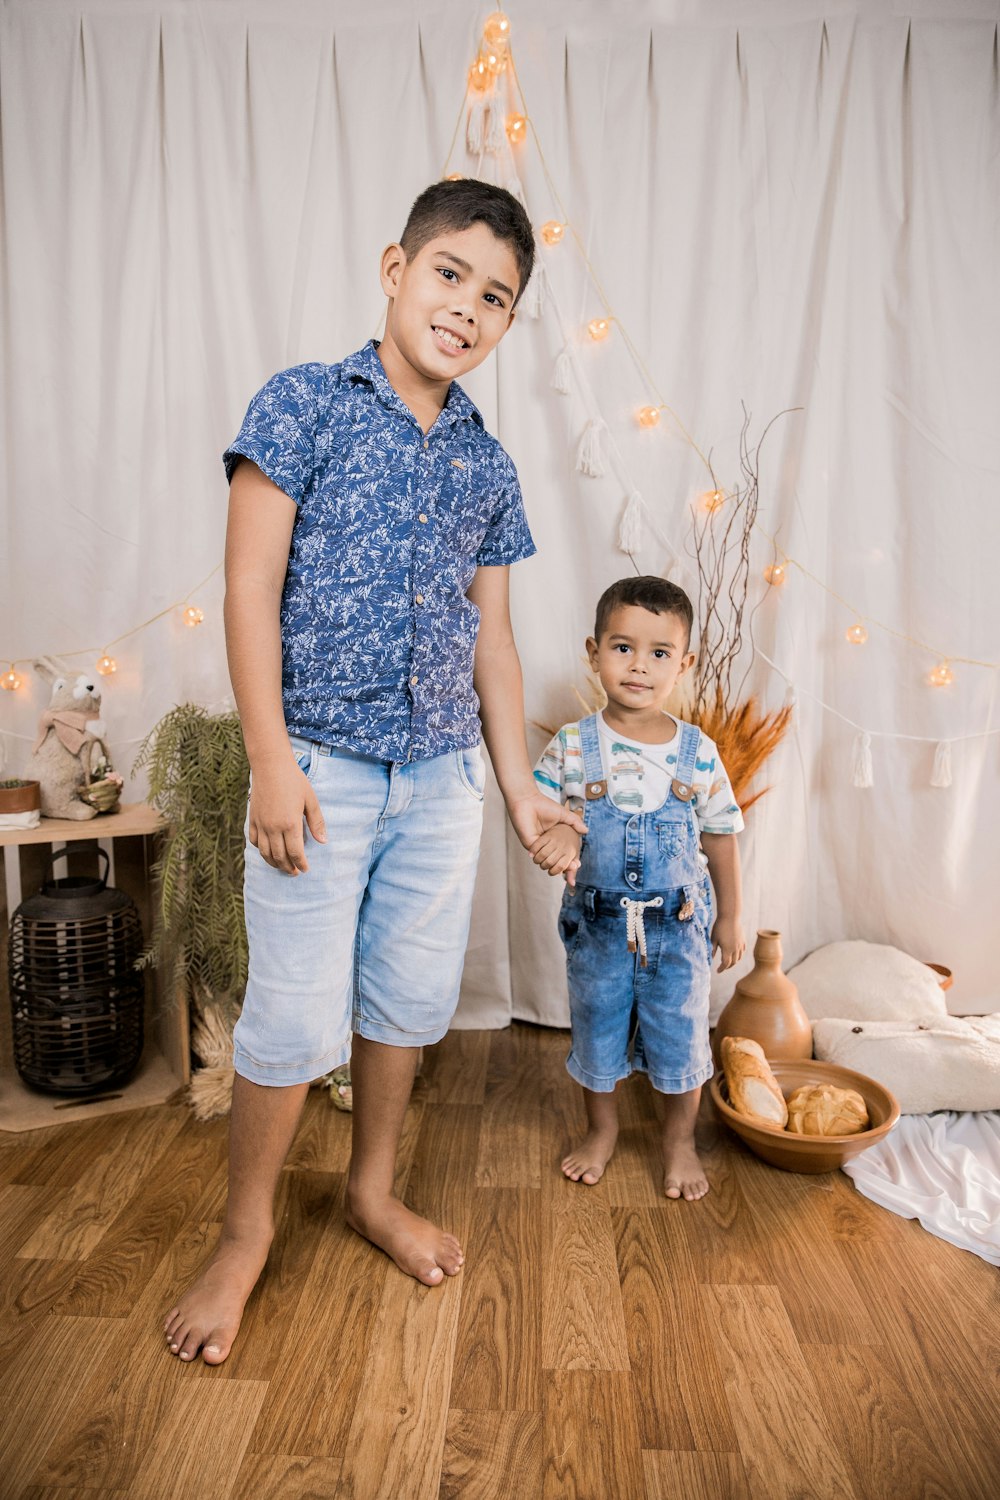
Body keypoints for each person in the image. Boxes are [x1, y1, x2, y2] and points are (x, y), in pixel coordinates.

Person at [164, 179, 585, 1365]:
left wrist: (517, 790)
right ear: (394, 266)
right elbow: (249, 585)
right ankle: (245, 1232)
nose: (466, 307)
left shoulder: (485, 463)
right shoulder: (302, 403)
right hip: (319, 769)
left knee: (405, 1005)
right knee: (294, 1012)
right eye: (449, 274)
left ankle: (370, 1190)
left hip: (443, 777)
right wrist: (268, 764)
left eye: (495, 297)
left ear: (508, 323)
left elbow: (491, 639)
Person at [529, 575, 746, 1200]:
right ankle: (602, 1130)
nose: (639, 666)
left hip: (678, 929)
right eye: (622, 647)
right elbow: (535, 809)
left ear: (684, 664)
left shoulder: (697, 752)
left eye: (659, 653)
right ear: (592, 651)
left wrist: (731, 915)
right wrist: (564, 830)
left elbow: (723, 837)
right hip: (598, 926)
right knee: (596, 1027)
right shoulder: (573, 745)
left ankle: (679, 1140)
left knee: (680, 1032)